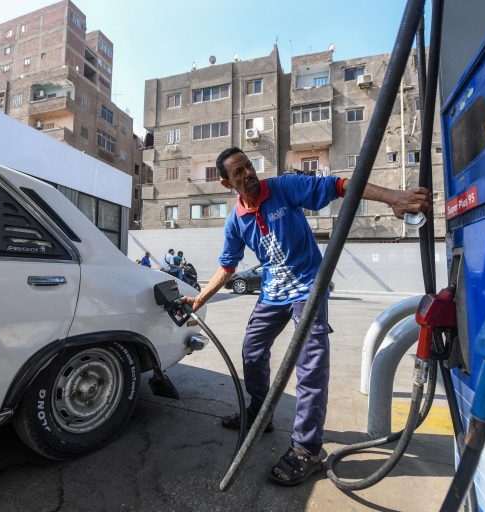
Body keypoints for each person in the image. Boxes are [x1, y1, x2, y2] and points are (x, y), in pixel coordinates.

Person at [180, 147, 430, 486]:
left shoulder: (284, 187)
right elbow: (227, 267)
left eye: (249, 166)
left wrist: (394, 198)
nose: (248, 174)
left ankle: (306, 451)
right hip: (272, 294)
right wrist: (199, 298)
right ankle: (260, 412)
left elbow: (340, 185)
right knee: (252, 350)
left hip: (308, 289)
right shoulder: (235, 221)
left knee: (310, 367)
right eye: (238, 173)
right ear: (227, 183)